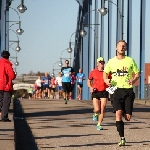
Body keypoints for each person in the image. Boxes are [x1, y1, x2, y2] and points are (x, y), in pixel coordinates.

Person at [103, 40, 140, 146]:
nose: (122, 47)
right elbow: (105, 74)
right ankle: (122, 138)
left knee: (127, 117)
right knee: (118, 113)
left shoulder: (130, 60)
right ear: (116, 48)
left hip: (128, 90)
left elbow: (137, 73)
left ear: (126, 48)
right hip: (115, 89)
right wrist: (106, 81)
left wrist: (133, 80)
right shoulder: (111, 61)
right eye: (120, 45)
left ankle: (125, 111)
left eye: (124, 46)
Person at [87, 57, 109, 130]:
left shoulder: (107, 72)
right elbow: (89, 81)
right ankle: (96, 114)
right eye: (100, 62)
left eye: (103, 62)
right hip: (96, 92)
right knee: (97, 109)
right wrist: (90, 87)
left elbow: (110, 80)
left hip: (104, 91)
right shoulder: (93, 72)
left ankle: (99, 124)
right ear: (97, 63)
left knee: (103, 108)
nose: (101, 63)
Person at [0, 51, 16, 122]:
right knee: (6, 101)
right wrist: (15, 74)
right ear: (8, 56)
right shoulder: (7, 64)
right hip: (6, 86)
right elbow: (12, 76)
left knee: (0, 101)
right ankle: (4, 117)